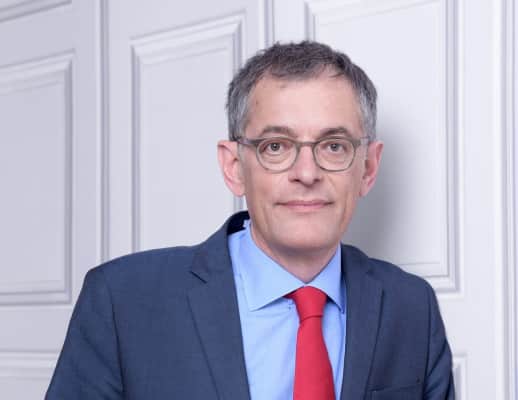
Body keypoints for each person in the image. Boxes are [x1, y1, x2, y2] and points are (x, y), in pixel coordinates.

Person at [46, 41, 454, 399]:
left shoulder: (411, 306)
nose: (307, 173)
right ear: (234, 167)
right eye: (276, 146)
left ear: (368, 167)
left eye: (334, 146)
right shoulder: (121, 301)